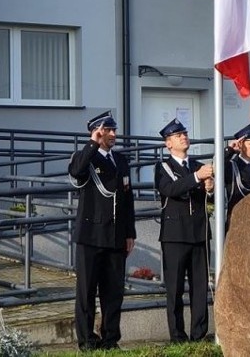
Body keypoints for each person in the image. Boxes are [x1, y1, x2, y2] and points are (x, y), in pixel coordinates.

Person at [68, 110, 136, 351]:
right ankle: (86, 340)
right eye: (107, 130)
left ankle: (110, 339)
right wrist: (92, 143)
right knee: (86, 292)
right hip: (91, 235)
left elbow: (127, 200)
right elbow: (76, 171)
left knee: (113, 292)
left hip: (116, 235)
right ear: (97, 131)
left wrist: (130, 233)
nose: (113, 134)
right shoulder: (86, 156)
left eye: (113, 130)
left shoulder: (120, 161)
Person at [154, 118, 214, 343]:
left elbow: (212, 199)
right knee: (175, 288)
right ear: (168, 144)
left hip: (198, 233)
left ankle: (198, 334)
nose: (183, 137)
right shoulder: (164, 167)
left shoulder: (197, 165)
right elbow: (170, 189)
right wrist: (198, 178)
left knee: (200, 288)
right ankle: (177, 336)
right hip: (175, 235)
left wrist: (211, 188)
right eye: (178, 135)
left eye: (185, 133)